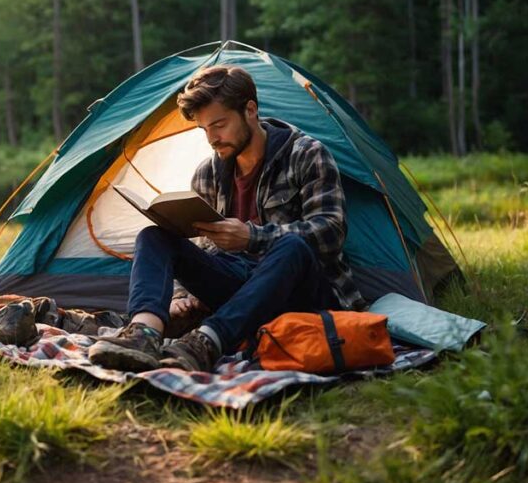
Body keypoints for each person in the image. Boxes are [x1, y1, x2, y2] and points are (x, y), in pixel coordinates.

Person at [88, 65, 365, 373]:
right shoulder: (208, 174)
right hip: (239, 290)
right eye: (205, 129)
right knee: (154, 236)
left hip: (303, 292)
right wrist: (182, 297)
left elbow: (330, 232)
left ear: (250, 110)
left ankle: (205, 343)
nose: (212, 138)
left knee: (293, 247)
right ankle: (144, 334)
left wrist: (251, 236)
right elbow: (200, 247)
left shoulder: (307, 154)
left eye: (219, 125)